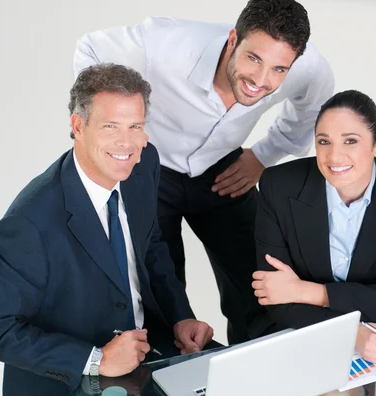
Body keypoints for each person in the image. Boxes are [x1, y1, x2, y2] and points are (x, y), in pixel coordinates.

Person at [73, 0, 334, 344]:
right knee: (159, 293)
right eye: (253, 58)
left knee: (260, 281)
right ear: (232, 40)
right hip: (151, 169)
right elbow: (89, 48)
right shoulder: (163, 45)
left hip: (223, 169)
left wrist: (264, 154)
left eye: (278, 70)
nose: (261, 80)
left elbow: (313, 107)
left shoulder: (308, 66)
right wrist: (122, 131)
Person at [0, 64, 214, 396]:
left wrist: (180, 317)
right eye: (110, 126)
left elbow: (150, 246)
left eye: (136, 126)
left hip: (148, 352)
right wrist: (95, 360)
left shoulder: (143, 164)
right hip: (71, 379)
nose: (127, 143)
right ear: (78, 126)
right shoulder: (31, 221)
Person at [252, 90, 376, 364]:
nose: (335, 156)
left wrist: (308, 291)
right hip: (299, 336)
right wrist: (351, 333)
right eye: (324, 142)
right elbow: (274, 295)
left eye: (350, 141)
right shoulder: (278, 186)